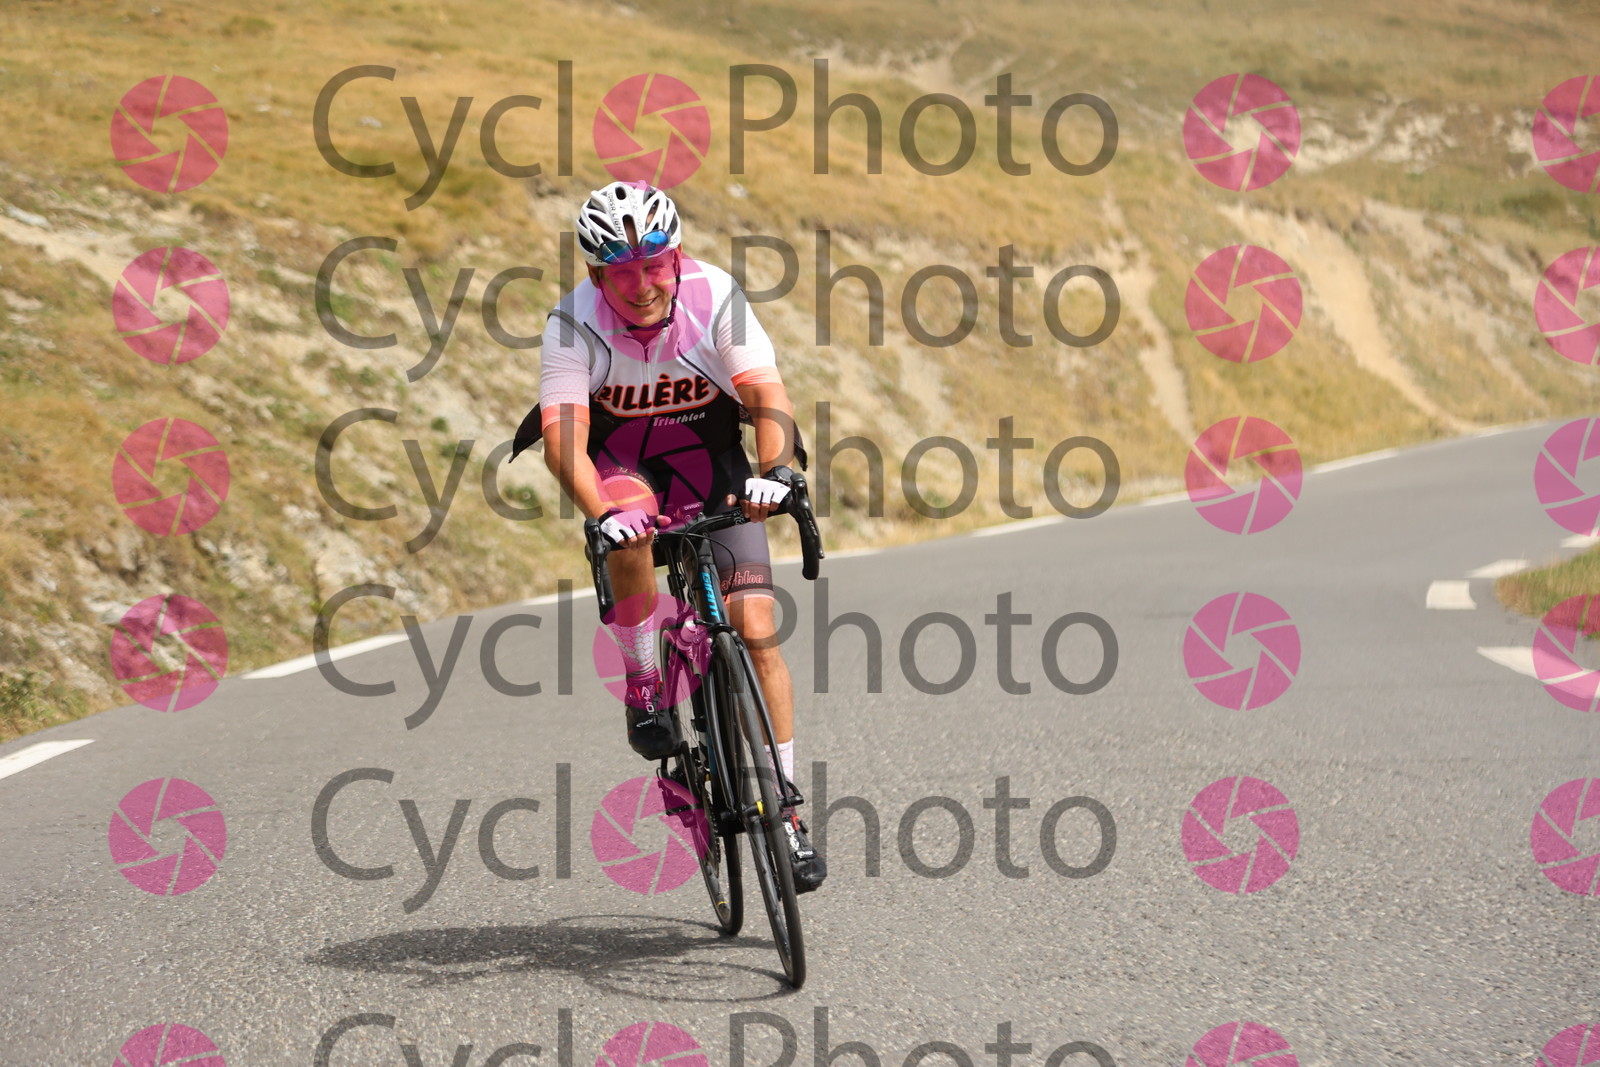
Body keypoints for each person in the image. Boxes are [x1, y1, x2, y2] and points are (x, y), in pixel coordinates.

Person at [526, 179, 825, 893]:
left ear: (677, 257)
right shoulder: (572, 322)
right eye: (621, 272)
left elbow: (765, 393)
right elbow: (563, 436)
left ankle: (786, 813)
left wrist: (775, 472)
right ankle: (643, 679)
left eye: (654, 264)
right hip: (624, 463)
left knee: (757, 630)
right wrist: (601, 512)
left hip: (712, 459)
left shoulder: (714, 294)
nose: (641, 285)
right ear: (595, 273)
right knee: (626, 528)